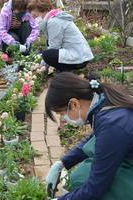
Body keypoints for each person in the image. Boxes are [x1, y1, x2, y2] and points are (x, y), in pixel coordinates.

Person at [45, 72, 133, 200]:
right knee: (80, 176)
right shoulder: (103, 101)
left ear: (74, 104)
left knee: (87, 184)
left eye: (62, 113)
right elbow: (94, 138)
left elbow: (95, 189)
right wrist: (63, 163)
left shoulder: (112, 124)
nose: (63, 119)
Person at [28, 0, 94, 71]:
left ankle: (65, 72)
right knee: (48, 47)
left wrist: (42, 64)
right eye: (33, 17)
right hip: (81, 56)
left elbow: (54, 47)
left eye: (36, 16)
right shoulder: (54, 18)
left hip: (79, 59)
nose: (35, 19)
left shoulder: (54, 22)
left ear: (44, 11)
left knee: (47, 55)